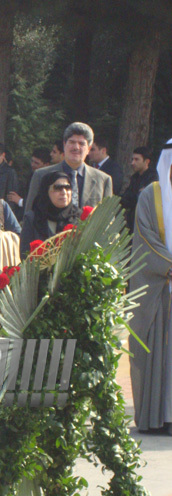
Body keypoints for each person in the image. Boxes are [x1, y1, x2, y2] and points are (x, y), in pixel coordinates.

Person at [129, 138, 172, 433]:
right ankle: (159, 417)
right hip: (160, 289)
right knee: (157, 352)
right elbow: (144, 238)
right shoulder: (151, 196)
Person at [25, 122, 112, 213]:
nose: (76, 147)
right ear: (64, 145)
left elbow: (108, 220)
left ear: (89, 149)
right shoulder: (41, 175)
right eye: (72, 142)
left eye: (81, 143)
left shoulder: (103, 180)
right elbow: (30, 215)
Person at [20, 171, 81, 258]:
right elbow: (24, 254)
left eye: (67, 187)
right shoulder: (33, 218)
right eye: (57, 188)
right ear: (46, 191)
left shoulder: (79, 217)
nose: (64, 192)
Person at [121, 146, 158, 233]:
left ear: (147, 161)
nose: (132, 163)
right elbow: (126, 198)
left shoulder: (154, 178)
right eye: (132, 159)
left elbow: (142, 199)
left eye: (137, 159)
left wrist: (134, 196)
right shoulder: (135, 177)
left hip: (146, 225)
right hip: (132, 223)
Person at [7, 147, 50, 221]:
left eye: (36, 163)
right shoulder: (30, 175)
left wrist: (20, 201)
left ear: (46, 164)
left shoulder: (48, 180)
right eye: (32, 161)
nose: (32, 165)